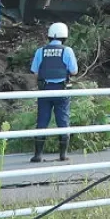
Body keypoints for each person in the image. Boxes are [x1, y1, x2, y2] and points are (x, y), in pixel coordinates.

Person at [29, 22, 79, 163]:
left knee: (42, 121)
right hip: (62, 91)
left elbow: (35, 71)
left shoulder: (40, 51)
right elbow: (74, 71)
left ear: (49, 36)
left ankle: (38, 155)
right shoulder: (67, 51)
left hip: (44, 90)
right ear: (65, 37)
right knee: (63, 121)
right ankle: (63, 155)